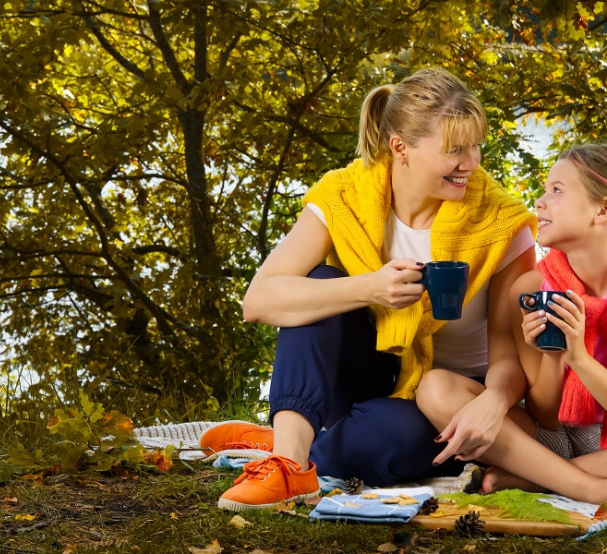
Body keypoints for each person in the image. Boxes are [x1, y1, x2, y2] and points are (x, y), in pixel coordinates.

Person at [199, 68, 538, 511]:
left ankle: (285, 445)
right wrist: (370, 288)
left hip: (448, 394)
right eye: (455, 149)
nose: (471, 163)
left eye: (476, 145)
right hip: (368, 374)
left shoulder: (501, 222)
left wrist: (494, 401)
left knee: (386, 442)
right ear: (401, 148)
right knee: (319, 284)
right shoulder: (344, 197)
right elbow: (259, 301)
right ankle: (287, 464)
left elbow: (510, 351)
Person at [416, 144, 607, 508]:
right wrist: (551, 355)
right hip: (549, 437)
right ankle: (585, 485)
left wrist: (580, 359)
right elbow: (546, 417)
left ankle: (536, 479)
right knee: (436, 388)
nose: (540, 201)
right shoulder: (532, 288)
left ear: (604, 210)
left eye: (557, 190)